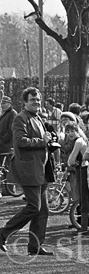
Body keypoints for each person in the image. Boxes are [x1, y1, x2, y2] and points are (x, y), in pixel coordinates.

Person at [0, 87, 56, 256]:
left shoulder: (37, 117)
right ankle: (3, 233)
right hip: (29, 169)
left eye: (38, 100)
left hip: (41, 169)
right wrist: (42, 141)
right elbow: (20, 141)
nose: (37, 103)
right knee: (34, 207)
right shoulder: (20, 118)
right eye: (33, 100)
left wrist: (50, 140)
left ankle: (35, 246)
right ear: (25, 102)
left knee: (43, 210)